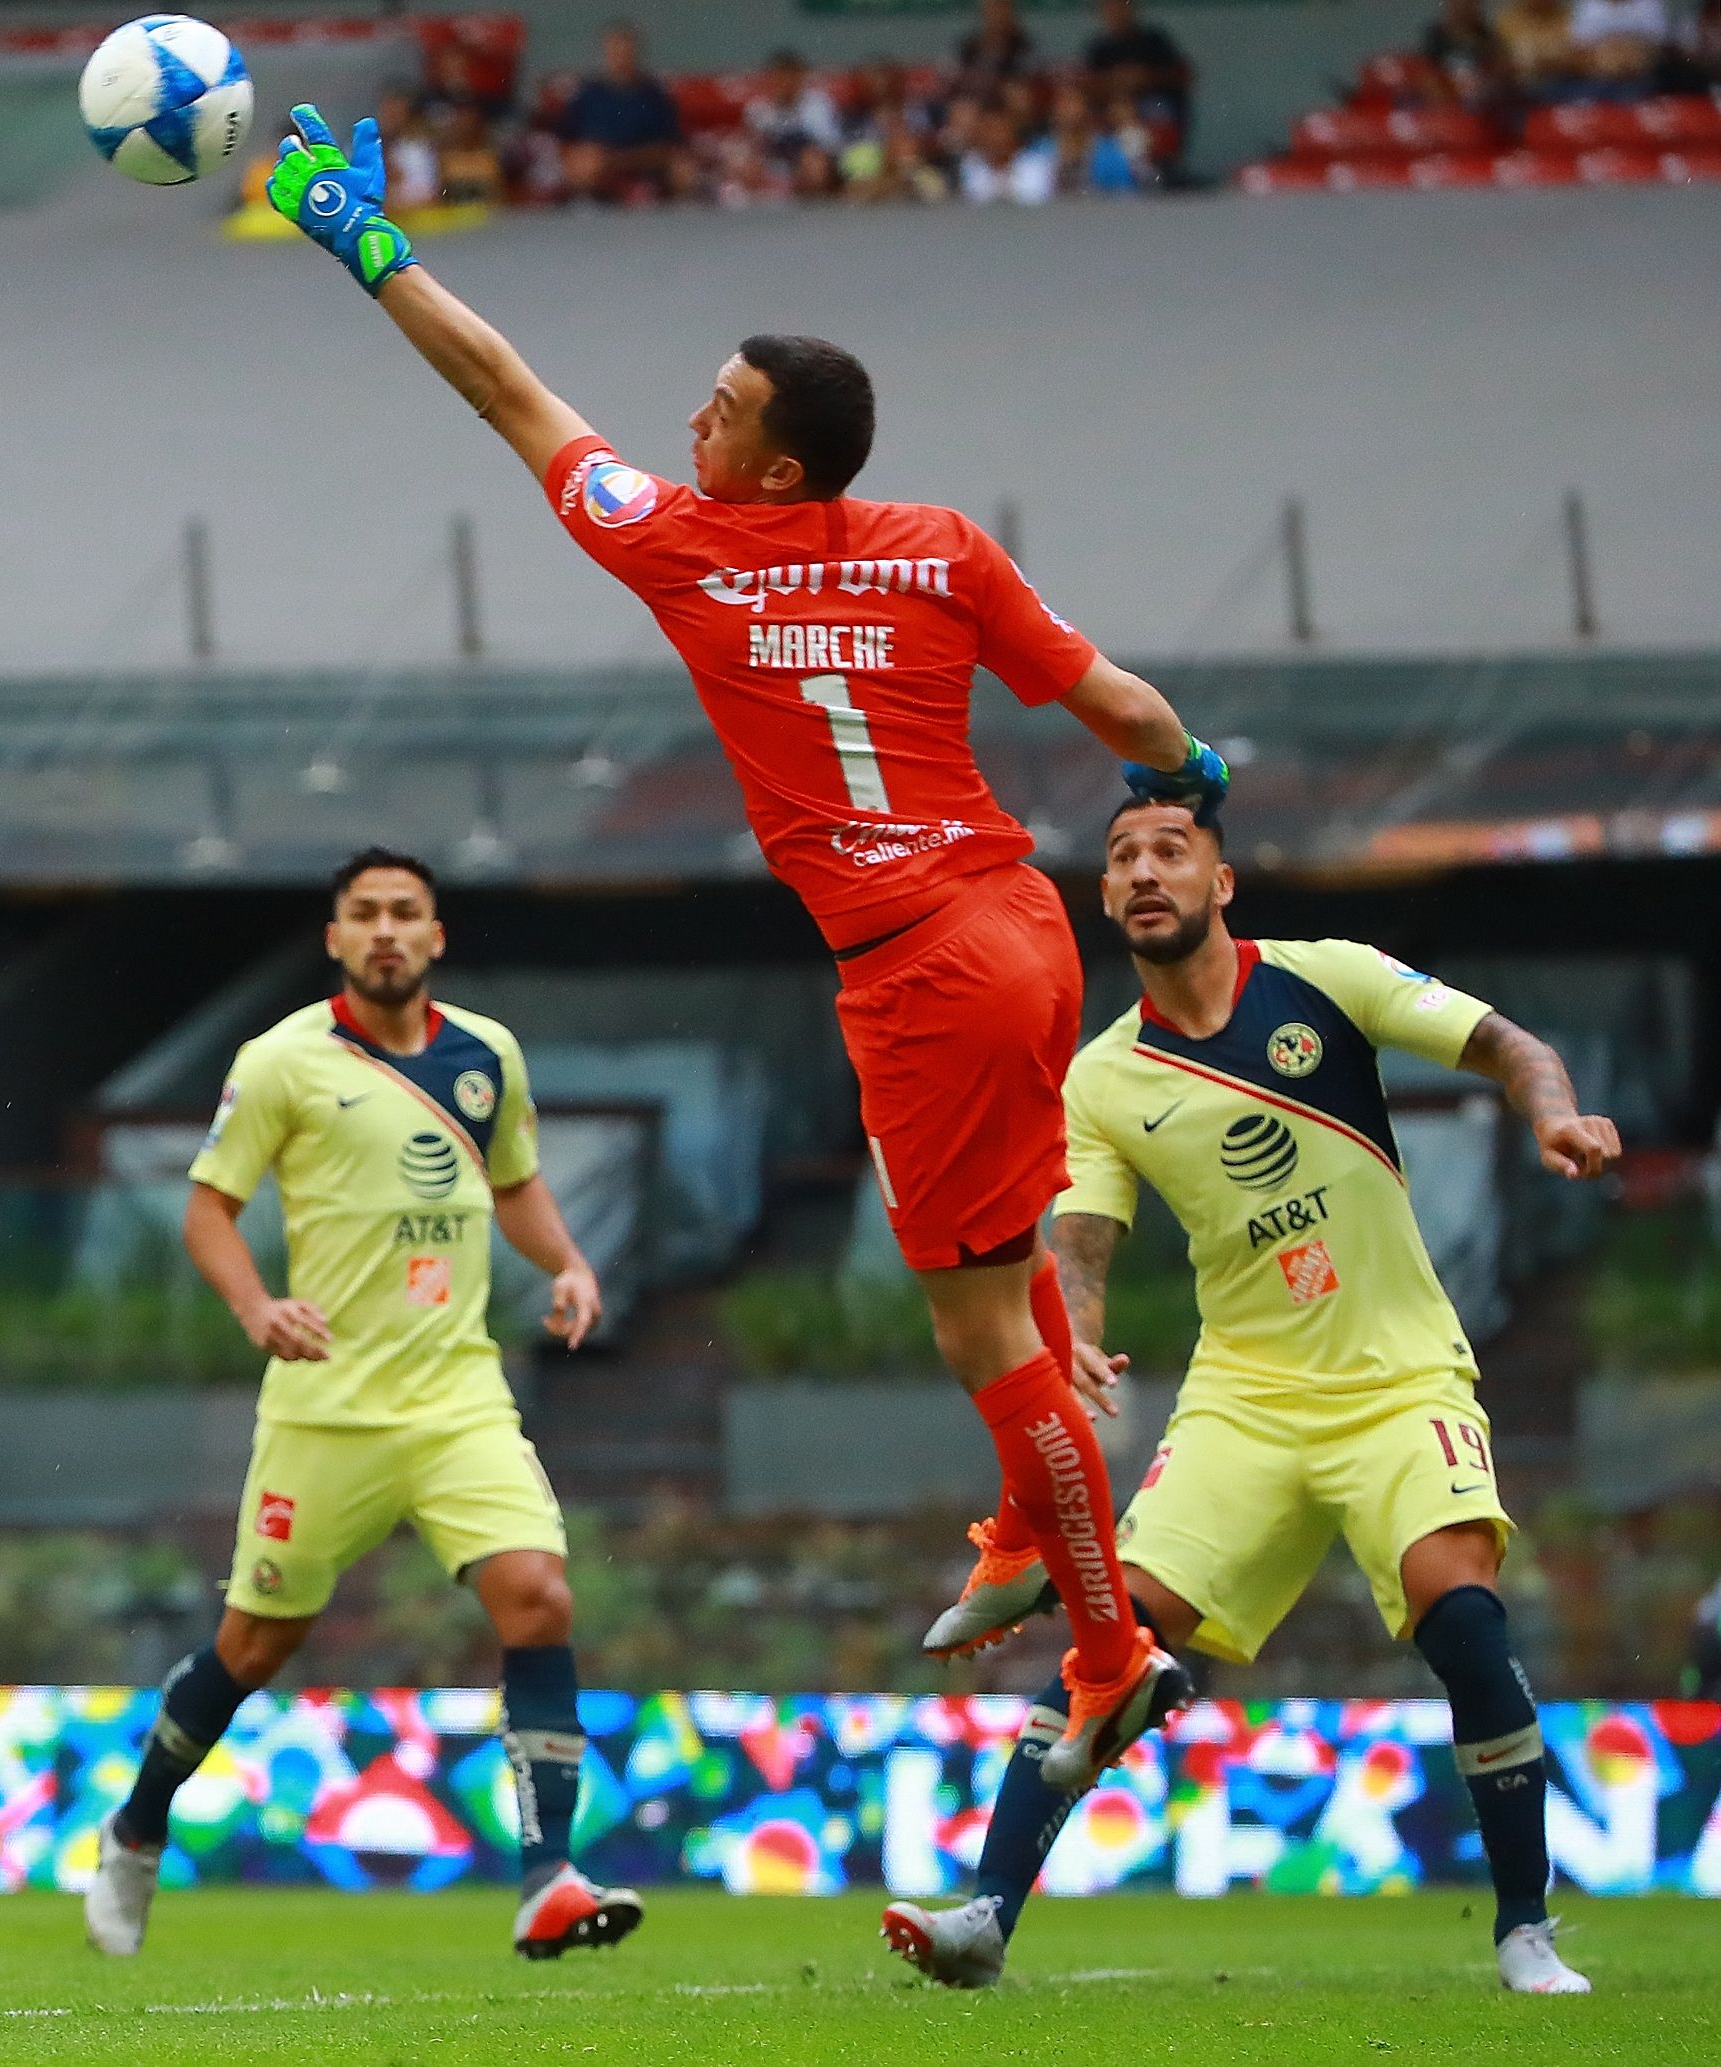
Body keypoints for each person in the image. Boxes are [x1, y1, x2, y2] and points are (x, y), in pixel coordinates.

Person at [261, 104, 1230, 1789]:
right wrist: (1187, 779)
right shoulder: (942, 545)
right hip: (1017, 920)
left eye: (716, 411)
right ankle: (1023, 1524)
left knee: (977, 1336)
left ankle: (1105, 1648)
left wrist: (369, 245)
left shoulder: (684, 545)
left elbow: (505, 389)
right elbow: (1129, 709)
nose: (687, 419)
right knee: (1000, 1300)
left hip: (922, 966)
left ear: (773, 470)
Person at [881, 794, 1612, 1997]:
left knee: (1463, 1619)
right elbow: (1080, 1241)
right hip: (1244, 1398)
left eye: (1171, 851)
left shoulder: (1329, 979)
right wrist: (1077, 1341)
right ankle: (983, 1918)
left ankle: (1524, 1931)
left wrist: (1551, 1112)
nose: (1144, 871)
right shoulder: (1104, 1077)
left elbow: (1508, 1047)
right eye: (1121, 859)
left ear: (1222, 884)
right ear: (1107, 902)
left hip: (1397, 1376)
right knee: (1114, 1637)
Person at [82, 849, 640, 1962]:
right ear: (335, 938)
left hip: (457, 1397)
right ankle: (137, 1828)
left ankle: (545, 1877)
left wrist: (569, 1262)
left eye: (405, 914)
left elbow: (515, 1183)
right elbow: (206, 1210)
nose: (386, 930)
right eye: (364, 915)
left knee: (537, 1596)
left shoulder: (488, 1058)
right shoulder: (283, 1061)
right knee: (253, 1644)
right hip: (323, 1409)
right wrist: (257, 1308)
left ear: (436, 938)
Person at [558, 21, 685, 203]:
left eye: (625, 52)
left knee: (682, 170)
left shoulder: (654, 95)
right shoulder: (587, 95)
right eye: (614, 52)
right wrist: (593, 158)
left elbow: (668, 146)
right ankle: (584, 207)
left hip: (644, 163)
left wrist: (625, 159)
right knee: (585, 163)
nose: (620, 57)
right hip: (598, 164)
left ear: (634, 53)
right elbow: (567, 144)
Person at [1083, 0, 1190, 176]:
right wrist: (1115, 81)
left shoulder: (1153, 40)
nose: (1116, 13)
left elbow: (1182, 74)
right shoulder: (1098, 47)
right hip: (1114, 108)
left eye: (1120, 6)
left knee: (1157, 110)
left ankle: (1153, 171)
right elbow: (1088, 84)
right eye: (1109, 8)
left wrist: (1145, 77)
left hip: (1151, 105)